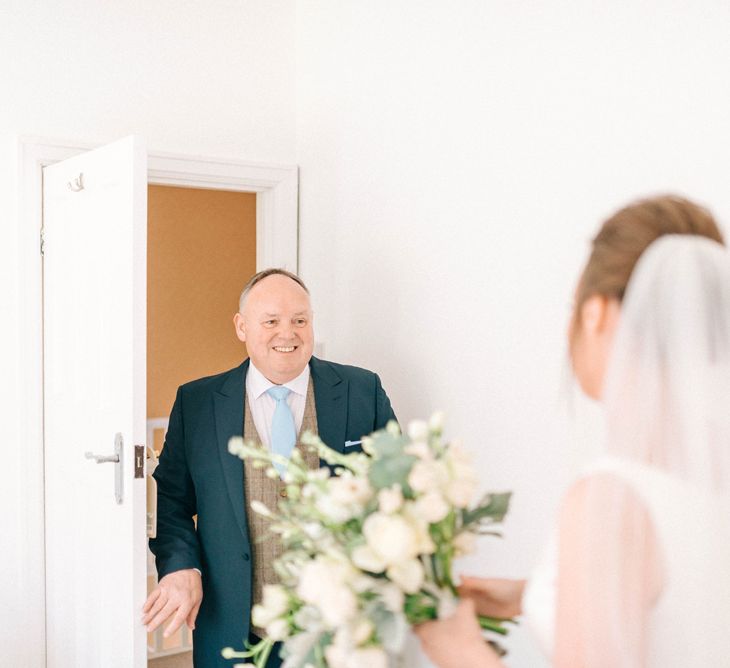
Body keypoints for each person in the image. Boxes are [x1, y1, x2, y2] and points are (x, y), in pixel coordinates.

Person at [416, 195, 730, 667]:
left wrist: (458, 651)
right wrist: (534, 593)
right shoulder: (708, 469)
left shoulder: (614, 497)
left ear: (595, 313)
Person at [143, 268, 397, 668]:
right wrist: (181, 566)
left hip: (339, 629)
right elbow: (172, 501)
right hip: (232, 626)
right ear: (242, 327)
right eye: (271, 321)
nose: (288, 333)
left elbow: (395, 492)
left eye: (300, 320)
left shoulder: (361, 391)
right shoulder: (197, 402)